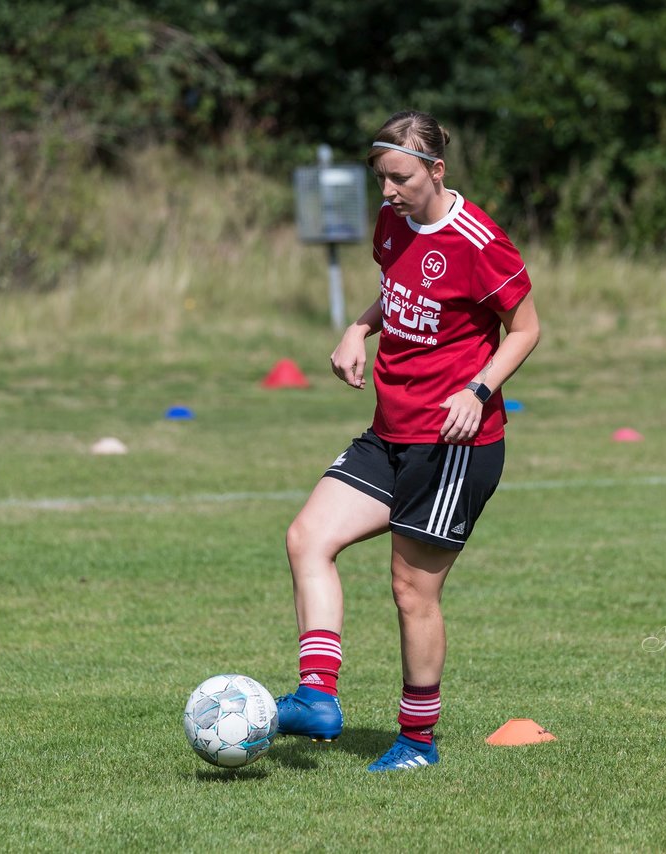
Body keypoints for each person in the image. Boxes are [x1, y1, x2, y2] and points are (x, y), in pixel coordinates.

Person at [274, 110, 541, 771]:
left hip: (453, 445)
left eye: (399, 179)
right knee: (308, 538)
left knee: (411, 590)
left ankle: (417, 744)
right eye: (381, 180)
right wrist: (355, 330)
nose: (388, 193)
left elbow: (527, 329)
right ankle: (316, 696)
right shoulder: (392, 223)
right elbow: (392, 291)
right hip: (390, 431)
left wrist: (477, 391)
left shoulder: (479, 241)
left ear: (436, 170)